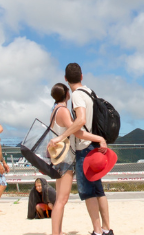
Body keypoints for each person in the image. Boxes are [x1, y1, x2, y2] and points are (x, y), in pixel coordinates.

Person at [47, 82, 100, 235]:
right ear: (67, 95)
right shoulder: (63, 111)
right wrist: (98, 138)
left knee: (60, 198)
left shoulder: (54, 110)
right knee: (62, 199)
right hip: (65, 157)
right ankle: (55, 233)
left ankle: (58, 230)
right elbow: (76, 131)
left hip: (58, 157)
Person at [67, 62, 112, 234]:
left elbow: (81, 121)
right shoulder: (91, 92)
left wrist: (63, 136)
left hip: (85, 148)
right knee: (98, 190)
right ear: (81, 76)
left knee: (88, 193)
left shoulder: (77, 95)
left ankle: (97, 231)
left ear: (66, 79)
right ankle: (107, 229)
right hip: (95, 148)